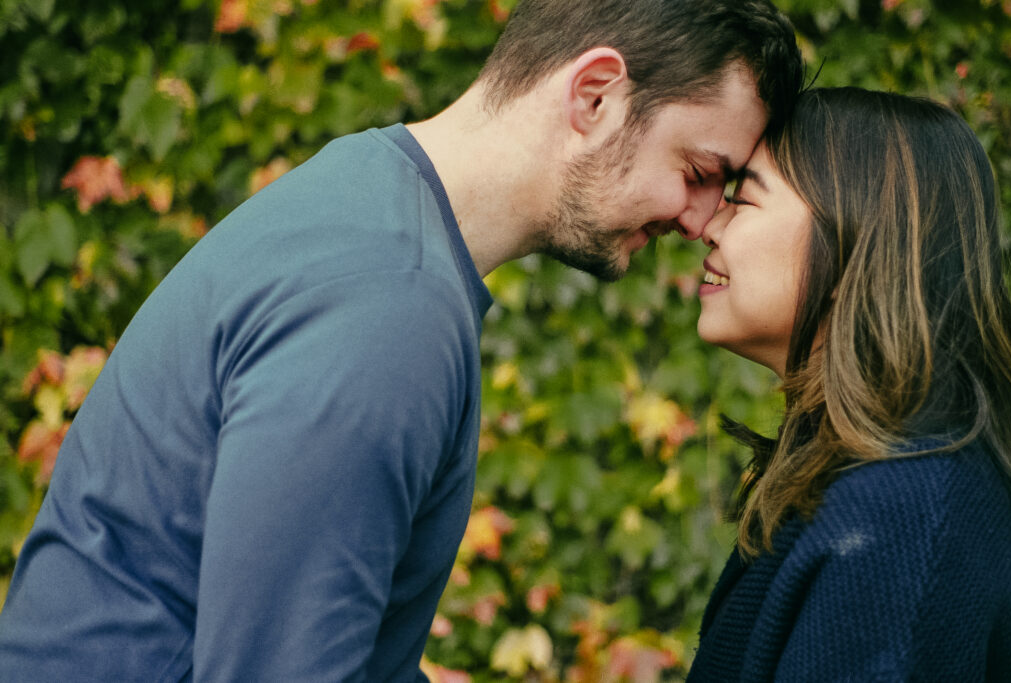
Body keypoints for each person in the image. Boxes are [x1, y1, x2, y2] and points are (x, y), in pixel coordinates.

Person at [0, 2, 803, 680]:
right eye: (698, 170)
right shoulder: (387, 303)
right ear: (595, 95)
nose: (700, 219)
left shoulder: (369, 198)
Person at [686, 87, 1011, 681]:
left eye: (744, 200)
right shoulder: (876, 475)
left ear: (853, 246)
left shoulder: (905, 514)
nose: (708, 225)